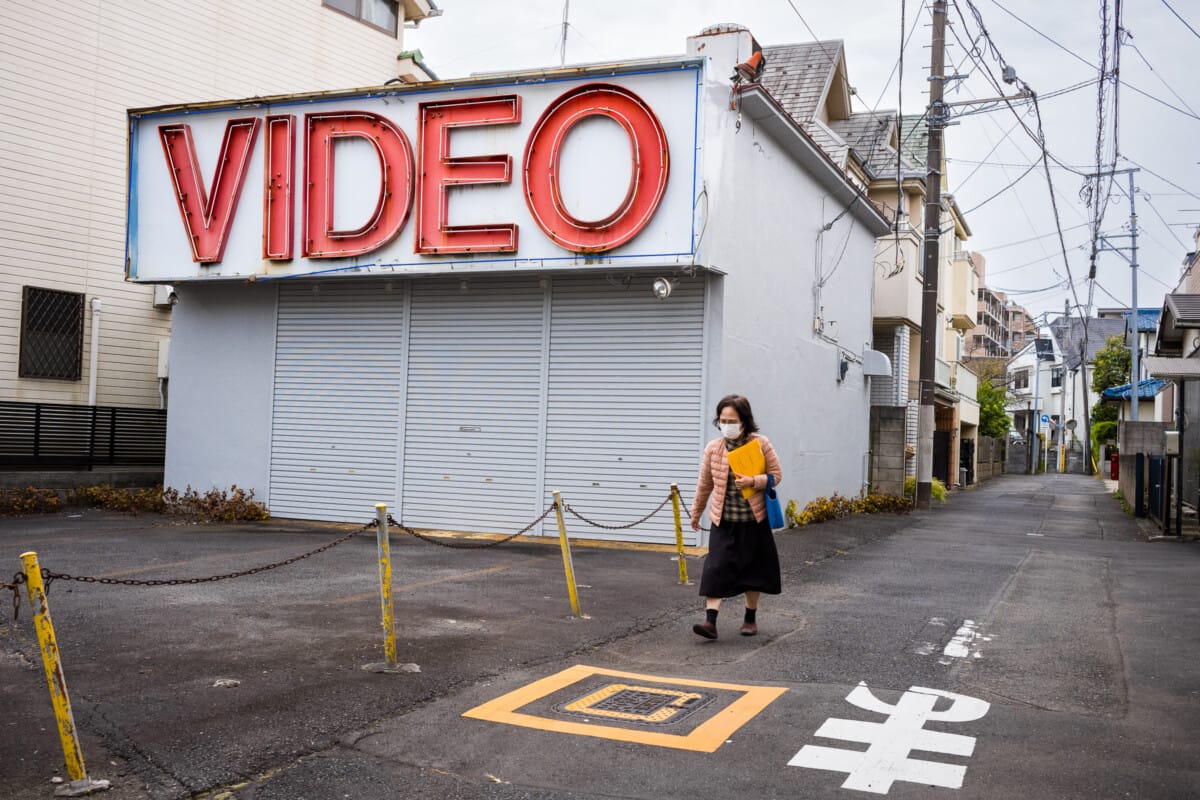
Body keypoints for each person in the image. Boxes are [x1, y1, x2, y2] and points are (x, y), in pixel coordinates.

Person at [689, 394, 782, 640]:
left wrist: (754, 481)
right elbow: (704, 484)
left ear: (744, 421)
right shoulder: (713, 448)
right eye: (722, 420)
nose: (726, 425)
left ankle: (750, 618)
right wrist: (696, 511)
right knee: (716, 568)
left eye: (732, 420)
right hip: (724, 520)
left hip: (754, 520)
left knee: (754, 571)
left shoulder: (761, 444)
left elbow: (776, 475)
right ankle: (710, 622)